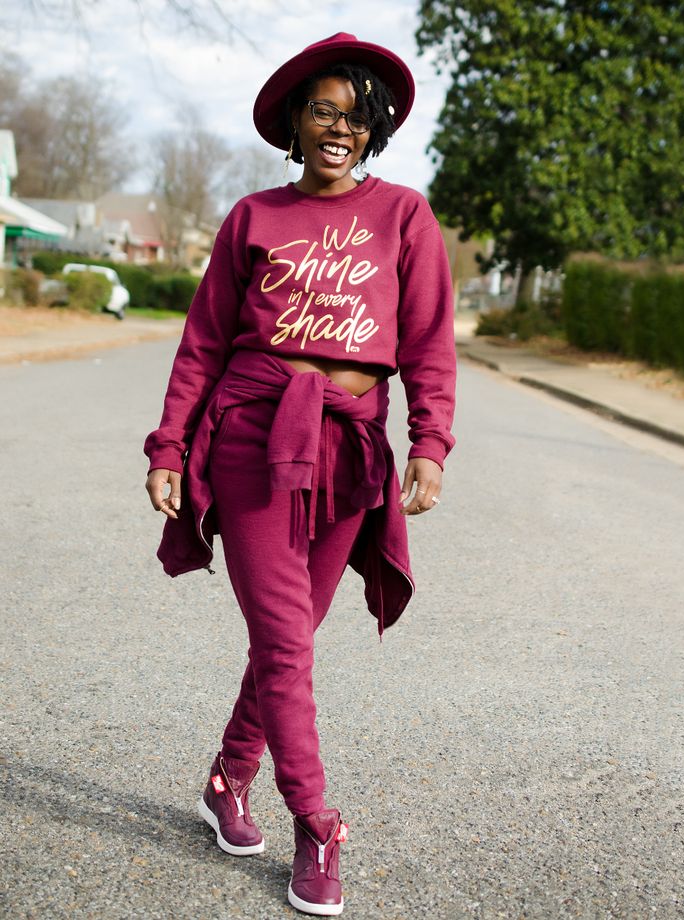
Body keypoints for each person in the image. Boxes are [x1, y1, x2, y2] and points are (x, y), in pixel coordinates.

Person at [144, 32, 456, 916]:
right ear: (296, 119)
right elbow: (202, 342)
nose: (340, 128)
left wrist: (430, 443)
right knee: (285, 641)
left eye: (358, 116)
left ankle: (227, 777)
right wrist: (170, 444)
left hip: (352, 450)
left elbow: (428, 340)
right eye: (324, 109)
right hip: (251, 440)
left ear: (375, 130)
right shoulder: (252, 217)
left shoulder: (405, 216)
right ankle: (316, 823)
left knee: (294, 637)